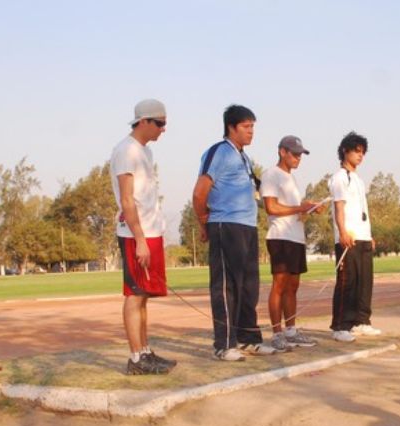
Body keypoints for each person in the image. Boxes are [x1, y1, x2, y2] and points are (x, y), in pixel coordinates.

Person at [192, 105, 278, 361]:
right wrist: (203, 221)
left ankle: (248, 338)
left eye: (253, 127)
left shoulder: (244, 157)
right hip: (225, 225)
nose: (251, 132)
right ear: (231, 127)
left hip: (247, 227)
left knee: (249, 286)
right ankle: (224, 344)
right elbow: (199, 192)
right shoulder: (219, 152)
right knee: (226, 286)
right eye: (246, 127)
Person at [110, 99, 176, 375]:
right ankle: (136, 358)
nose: (163, 129)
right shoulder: (126, 151)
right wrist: (138, 239)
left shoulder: (144, 152)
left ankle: (145, 351)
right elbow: (127, 199)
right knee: (135, 295)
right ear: (144, 121)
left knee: (145, 295)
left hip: (151, 230)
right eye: (159, 123)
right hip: (135, 233)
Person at [260, 135, 322, 351]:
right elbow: (272, 208)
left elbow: (293, 209)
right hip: (280, 237)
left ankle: (291, 331)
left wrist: (309, 209)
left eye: (300, 154)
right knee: (279, 285)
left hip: (296, 237)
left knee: (293, 287)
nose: (298, 158)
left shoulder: (291, 179)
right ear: (282, 152)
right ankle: (277, 333)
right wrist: (300, 208)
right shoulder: (271, 174)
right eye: (294, 154)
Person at [328, 132, 381, 342]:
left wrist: (369, 235)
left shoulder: (358, 180)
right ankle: (340, 325)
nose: (360, 156)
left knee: (364, 282)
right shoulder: (339, 178)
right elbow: (339, 207)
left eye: (363, 152)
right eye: (356, 151)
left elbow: (362, 210)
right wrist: (342, 231)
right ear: (345, 151)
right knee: (347, 282)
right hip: (348, 237)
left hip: (363, 237)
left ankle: (362, 321)